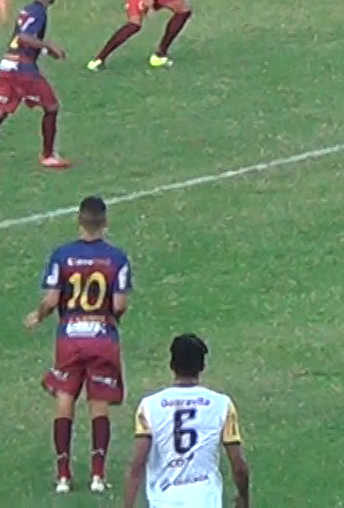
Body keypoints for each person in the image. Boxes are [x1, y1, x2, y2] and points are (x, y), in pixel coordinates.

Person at [27, 195, 133, 495]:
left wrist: (38, 316)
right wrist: (107, 319)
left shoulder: (62, 255)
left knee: (64, 398)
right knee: (98, 401)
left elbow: (50, 299)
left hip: (69, 338)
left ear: (79, 220)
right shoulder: (117, 258)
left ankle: (63, 475)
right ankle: (98, 475)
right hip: (103, 337)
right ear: (105, 222)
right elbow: (120, 303)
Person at [124, 333, 250, 508]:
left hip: (164, 501)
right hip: (205, 501)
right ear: (202, 366)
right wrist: (244, 498)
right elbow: (238, 465)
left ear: (171, 365)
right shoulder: (222, 405)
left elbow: (137, 465)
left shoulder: (149, 406)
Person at [0, 0, 70, 171]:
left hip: (8, 63)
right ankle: (48, 156)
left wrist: (44, 50)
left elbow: (19, 38)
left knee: (0, 111)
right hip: (22, 68)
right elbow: (25, 37)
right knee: (51, 106)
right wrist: (48, 45)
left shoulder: (27, 10)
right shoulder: (39, 12)